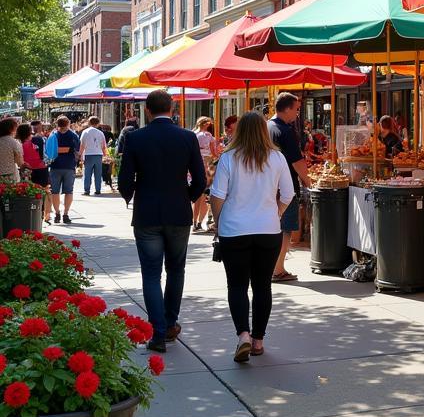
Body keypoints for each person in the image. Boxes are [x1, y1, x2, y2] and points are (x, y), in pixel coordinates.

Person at [118, 90, 207, 352]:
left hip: (147, 212)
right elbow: (200, 180)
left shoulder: (136, 138)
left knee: (151, 274)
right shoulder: (187, 137)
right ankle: (169, 323)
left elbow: (125, 179)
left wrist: (130, 196)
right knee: (176, 269)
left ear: (147, 110)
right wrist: (185, 197)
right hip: (178, 212)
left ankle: (157, 332)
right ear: (172, 108)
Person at [209, 112, 295, 363]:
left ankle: (243, 335)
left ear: (239, 132)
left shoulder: (228, 158)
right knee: (262, 285)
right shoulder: (277, 157)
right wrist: (276, 213)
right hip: (268, 229)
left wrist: (217, 221)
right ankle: (258, 339)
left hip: (234, 230)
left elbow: (217, 195)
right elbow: (288, 194)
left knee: (236, 285)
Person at [267, 93, 310, 282]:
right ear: (286, 109)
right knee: (285, 228)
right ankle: (278, 269)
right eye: (296, 109)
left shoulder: (267, 126)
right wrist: (308, 180)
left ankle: (272, 266)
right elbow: (296, 161)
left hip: (267, 184)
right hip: (285, 186)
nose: (298, 113)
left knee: (272, 227)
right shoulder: (285, 130)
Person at [46, 116, 80, 223]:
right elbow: (77, 148)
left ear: (57, 124)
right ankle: (66, 213)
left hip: (55, 166)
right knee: (69, 191)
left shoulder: (53, 135)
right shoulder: (73, 135)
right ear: (68, 123)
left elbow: (48, 150)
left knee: (55, 192)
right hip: (69, 166)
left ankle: (57, 213)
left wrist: (58, 150)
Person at [192, 117, 220, 232]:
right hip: (207, 165)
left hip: (195, 164)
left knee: (196, 197)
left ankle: (194, 223)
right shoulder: (208, 136)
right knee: (204, 196)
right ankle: (199, 222)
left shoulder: (193, 134)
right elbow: (214, 153)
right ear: (206, 124)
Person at [26, 122, 50, 222]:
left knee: (31, 190)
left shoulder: (25, 140)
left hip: (29, 168)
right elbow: (46, 155)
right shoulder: (42, 139)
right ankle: (44, 212)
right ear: (40, 128)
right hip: (41, 168)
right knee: (44, 190)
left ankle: (34, 211)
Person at [78, 115, 108, 196]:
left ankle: (87, 190)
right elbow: (104, 146)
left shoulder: (85, 132)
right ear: (98, 124)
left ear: (89, 122)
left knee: (87, 173)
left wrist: (80, 154)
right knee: (98, 173)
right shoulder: (100, 133)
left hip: (88, 154)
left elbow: (82, 145)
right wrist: (105, 155)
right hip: (98, 154)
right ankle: (98, 189)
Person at [0, 117, 23, 184]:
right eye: (16, 127)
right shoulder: (14, 142)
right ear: (11, 129)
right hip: (10, 174)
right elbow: (19, 161)